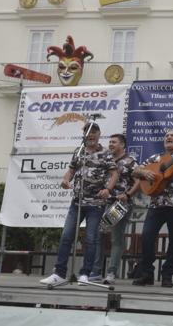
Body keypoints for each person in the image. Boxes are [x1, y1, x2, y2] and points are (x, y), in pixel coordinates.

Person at [40, 122, 118, 286]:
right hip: (77, 202)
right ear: (84, 134)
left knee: (90, 239)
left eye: (94, 132)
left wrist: (108, 189)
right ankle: (59, 273)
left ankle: (85, 274)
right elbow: (71, 170)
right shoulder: (79, 151)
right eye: (87, 132)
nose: (90, 135)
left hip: (95, 203)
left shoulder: (106, 153)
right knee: (66, 236)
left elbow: (114, 174)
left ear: (98, 134)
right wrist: (65, 179)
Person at [131, 130, 173, 287]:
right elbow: (135, 171)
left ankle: (167, 275)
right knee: (146, 237)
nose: (168, 137)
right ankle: (147, 273)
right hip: (156, 205)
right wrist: (145, 172)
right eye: (166, 136)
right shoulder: (155, 158)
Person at [91, 133, 139, 284]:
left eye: (114, 142)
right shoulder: (106, 159)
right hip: (103, 202)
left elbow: (139, 181)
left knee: (116, 237)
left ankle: (111, 272)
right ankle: (96, 271)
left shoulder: (130, 161)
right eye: (110, 142)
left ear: (123, 145)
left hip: (120, 204)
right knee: (98, 235)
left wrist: (128, 194)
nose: (110, 145)